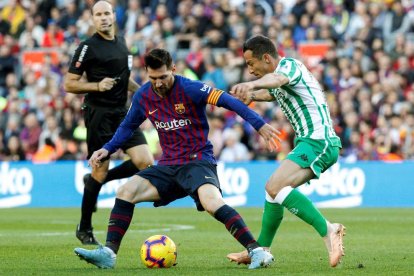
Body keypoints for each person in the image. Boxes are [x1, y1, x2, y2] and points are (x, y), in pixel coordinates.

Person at [73, 48, 280, 270]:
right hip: (168, 165)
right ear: (146, 73)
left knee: (212, 203)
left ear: (173, 69)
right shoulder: (144, 96)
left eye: (163, 77)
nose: (159, 83)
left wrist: (259, 124)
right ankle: (109, 254)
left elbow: (228, 101)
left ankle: (257, 251)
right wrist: (107, 149)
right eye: (153, 78)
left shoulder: (191, 88)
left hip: (197, 160)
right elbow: (128, 127)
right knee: (125, 192)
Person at [226, 35, 346, 268]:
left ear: (267, 58)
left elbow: (277, 80)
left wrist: (251, 86)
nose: (250, 71)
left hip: (318, 140)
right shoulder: (281, 80)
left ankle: (329, 230)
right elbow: (273, 92)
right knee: (274, 192)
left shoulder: (289, 66)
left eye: (251, 64)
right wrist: (251, 95)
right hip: (312, 142)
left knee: (274, 186)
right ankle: (260, 251)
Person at [63, 0, 153, 245]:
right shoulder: (87, 47)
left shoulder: (123, 42)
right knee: (100, 169)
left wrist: (145, 92)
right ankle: (84, 227)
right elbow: (69, 83)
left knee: (145, 162)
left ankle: (93, 181)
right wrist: (96, 85)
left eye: (106, 13)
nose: (103, 18)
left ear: (114, 16)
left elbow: (126, 80)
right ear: (93, 19)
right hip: (99, 114)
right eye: (98, 14)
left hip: (123, 113)